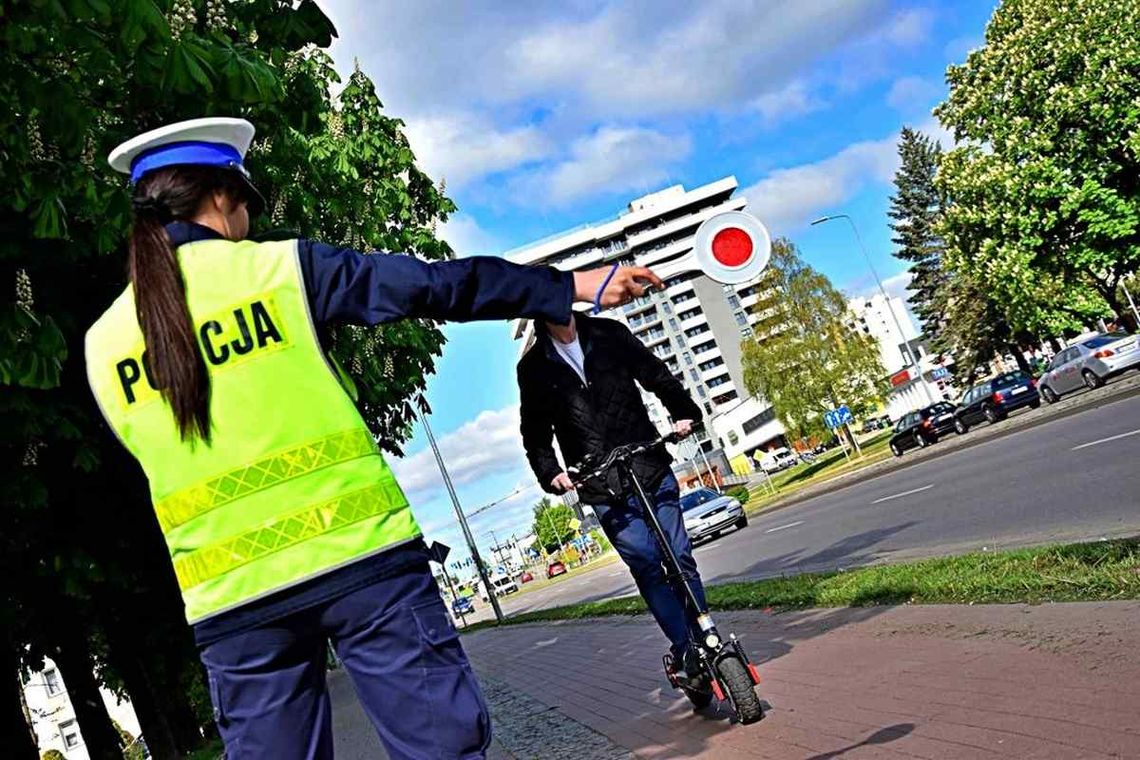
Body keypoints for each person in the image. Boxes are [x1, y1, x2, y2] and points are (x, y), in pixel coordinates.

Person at [84, 117, 660, 760]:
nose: (248, 218)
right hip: (364, 566)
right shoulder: (285, 270)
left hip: (234, 606)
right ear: (222, 197)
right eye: (247, 202)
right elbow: (438, 286)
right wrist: (567, 286)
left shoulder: (101, 345)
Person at [516, 311, 709, 681]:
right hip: (602, 484)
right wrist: (550, 471)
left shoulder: (608, 333)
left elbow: (655, 373)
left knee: (679, 554)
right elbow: (535, 432)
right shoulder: (534, 367)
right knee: (646, 562)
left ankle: (706, 634)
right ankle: (687, 652)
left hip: (648, 463)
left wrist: (683, 412)